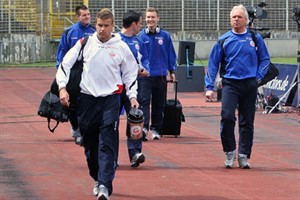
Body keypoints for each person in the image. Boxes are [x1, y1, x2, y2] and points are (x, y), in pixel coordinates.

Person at [56, 8, 139, 200]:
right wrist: (62, 87)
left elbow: (130, 73)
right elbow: (65, 65)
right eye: (100, 25)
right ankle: (97, 177)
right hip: (87, 100)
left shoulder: (121, 47)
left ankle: (104, 185)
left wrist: (133, 96)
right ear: (96, 25)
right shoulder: (85, 43)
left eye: (106, 26)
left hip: (111, 100)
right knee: (91, 145)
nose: (102, 29)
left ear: (112, 26)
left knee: (107, 143)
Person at [205, 4, 270, 169]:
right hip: (230, 83)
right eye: (233, 17)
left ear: (246, 20)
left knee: (247, 121)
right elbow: (213, 64)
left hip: (249, 84)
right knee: (227, 117)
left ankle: (243, 155)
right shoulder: (224, 40)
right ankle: (230, 151)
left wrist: (257, 79)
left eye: (239, 17)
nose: (236, 19)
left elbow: (265, 60)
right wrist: (209, 87)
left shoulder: (255, 38)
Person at [55, 5, 95, 140]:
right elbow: (62, 53)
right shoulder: (69, 32)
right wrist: (61, 73)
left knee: (87, 99)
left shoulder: (94, 31)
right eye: (84, 15)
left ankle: (86, 127)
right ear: (78, 17)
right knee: (73, 102)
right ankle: (75, 128)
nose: (87, 17)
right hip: (73, 71)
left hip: (89, 70)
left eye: (88, 14)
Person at [138, 7, 177, 141]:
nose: (150, 20)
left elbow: (171, 54)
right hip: (145, 76)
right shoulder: (141, 36)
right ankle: (144, 128)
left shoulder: (165, 36)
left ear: (158, 19)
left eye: (153, 17)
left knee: (158, 103)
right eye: (148, 17)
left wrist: (172, 71)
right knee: (144, 101)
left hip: (160, 75)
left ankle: (155, 129)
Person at [117, 10, 150, 167]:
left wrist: (145, 69)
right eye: (140, 23)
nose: (142, 26)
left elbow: (145, 58)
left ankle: (135, 153)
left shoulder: (139, 41)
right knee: (110, 122)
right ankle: (110, 156)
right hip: (114, 87)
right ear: (133, 24)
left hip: (133, 86)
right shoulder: (115, 40)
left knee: (135, 117)